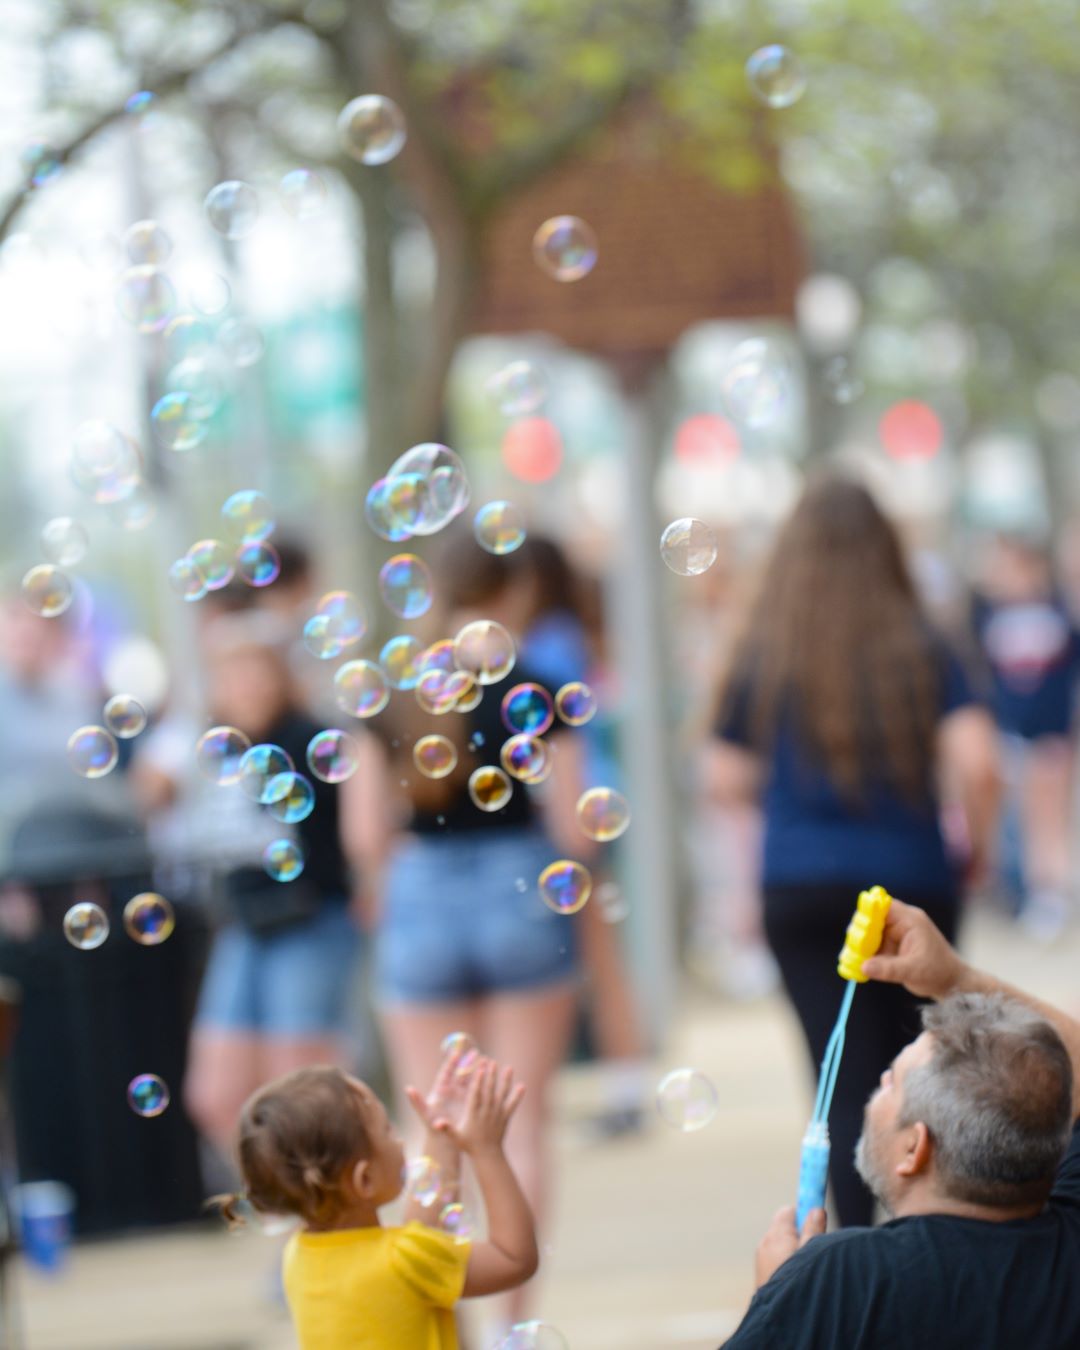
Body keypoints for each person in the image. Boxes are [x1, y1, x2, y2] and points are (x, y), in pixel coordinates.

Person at [708, 474, 1000, 1226]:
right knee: (922, 1079)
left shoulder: (769, 649)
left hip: (798, 890)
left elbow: (725, 775)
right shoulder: (923, 641)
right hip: (910, 885)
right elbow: (979, 763)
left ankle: (855, 1269)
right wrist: (979, 849)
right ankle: (921, 1246)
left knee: (837, 1081)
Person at [348, 532, 597, 1322]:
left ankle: (435, 1318)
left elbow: (364, 840)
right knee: (518, 1123)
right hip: (522, 891)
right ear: (514, 591)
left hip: (420, 897)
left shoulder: (390, 695)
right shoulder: (541, 687)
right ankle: (514, 1325)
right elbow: (578, 834)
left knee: (435, 1125)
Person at [722, 897, 1080, 1348]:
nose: (877, 1090)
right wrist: (955, 979)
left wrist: (777, 1297)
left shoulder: (840, 1280)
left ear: (915, 1148)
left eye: (891, 1083)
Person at [132, 612, 363, 1160]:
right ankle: (279, 1201)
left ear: (282, 677)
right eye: (231, 675)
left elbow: (359, 836)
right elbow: (149, 793)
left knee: (300, 1090)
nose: (246, 687)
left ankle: (319, 1215)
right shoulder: (216, 747)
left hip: (312, 921)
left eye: (257, 673)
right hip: (246, 923)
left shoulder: (313, 740)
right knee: (214, 1094)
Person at [217, 1048, 537, 1349]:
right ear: (364, 1180)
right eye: (387, 1129)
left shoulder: (298, 1257)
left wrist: (441, 1135)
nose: (398, 1138)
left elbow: (420, 1236)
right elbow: (513, 1259)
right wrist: (487, 1151)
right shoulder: (407, 1261)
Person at [970, 531, 1080, 938]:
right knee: (1013, 817)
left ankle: (1050, 892)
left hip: (1049, 731)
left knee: (1047, 814)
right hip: (1007, 730)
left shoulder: (1059, 610)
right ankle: (1020, 889)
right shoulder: (986, 613)